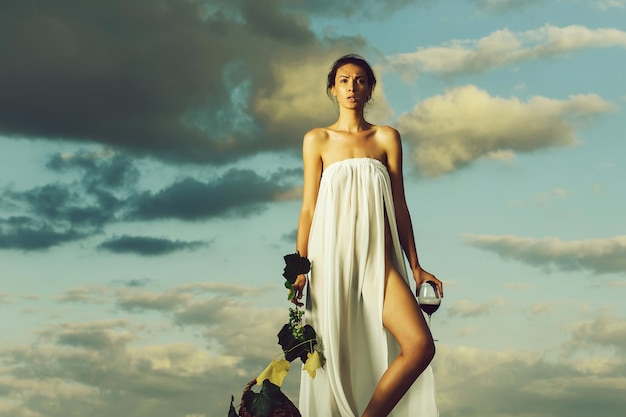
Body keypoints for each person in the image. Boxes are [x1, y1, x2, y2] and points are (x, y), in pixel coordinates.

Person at [291, 54, 443, 417]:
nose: (351, 87)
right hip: (330, 262)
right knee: (335, 360)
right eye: (343, 80)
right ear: (332, 88)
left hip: (380, 260)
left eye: (359, 80)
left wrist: (416, 266)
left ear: (370, 88)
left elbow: (400, 206)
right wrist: (299, 268)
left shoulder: (387, 137)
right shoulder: (317, 139)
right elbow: (308, 208)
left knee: (420, 346)